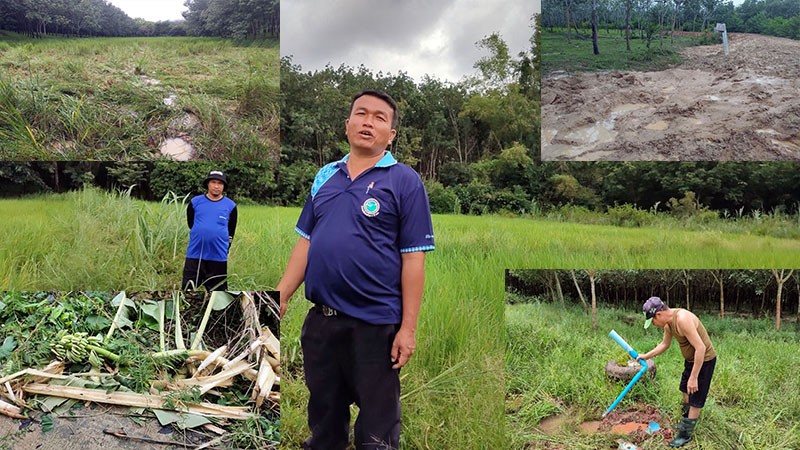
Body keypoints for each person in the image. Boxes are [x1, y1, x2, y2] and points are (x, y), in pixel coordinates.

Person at [277, 89, 435, 450]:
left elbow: (414, 258)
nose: (368, 122)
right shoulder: (325, 176)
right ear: (347, 124)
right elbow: (306, 242)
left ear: (391, 135)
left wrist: (407, 329)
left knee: (377, 424)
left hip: (375, 324)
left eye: (380, 117)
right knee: (324, 410)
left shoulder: (404, 180)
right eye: (361, 114)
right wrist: (280, 295)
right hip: (322, 321)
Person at [636, 297, 717, 448]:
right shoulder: (668, 325)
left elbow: (701, 348)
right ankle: (686, 421)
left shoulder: (682, 319)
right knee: (684, 390)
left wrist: (694, 377)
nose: (654, 325)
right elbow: (664, 344)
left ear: (658, 314)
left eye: (652, 321)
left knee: (696, 398)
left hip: (704, 361)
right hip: (691, 361)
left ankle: (685, 435)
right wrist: (646, 356)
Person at [182, 170, 237, 291]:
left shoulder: (231, 206)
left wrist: (225, 248)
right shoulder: (195, 202)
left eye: (220, 183)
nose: (216, 186)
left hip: (218, 256)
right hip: (195, 254)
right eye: (213, 182)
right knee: (188, 289)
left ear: (224, 186)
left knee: (218, 292)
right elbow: (191, 224)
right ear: (208, 184)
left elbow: (231, 231)